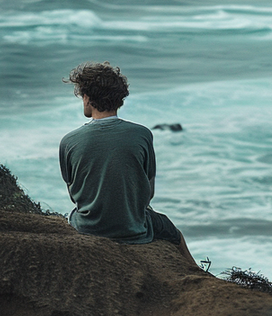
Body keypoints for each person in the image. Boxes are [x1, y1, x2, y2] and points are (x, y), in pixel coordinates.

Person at [59, 61, 196, 266]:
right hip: (134, 229)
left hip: (87, 227)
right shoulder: (142, 134)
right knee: (175, 234)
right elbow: (148, 192)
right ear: (120, 100)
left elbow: (74, 193)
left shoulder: (69, 141)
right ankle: (200, 274)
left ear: (87, 98)